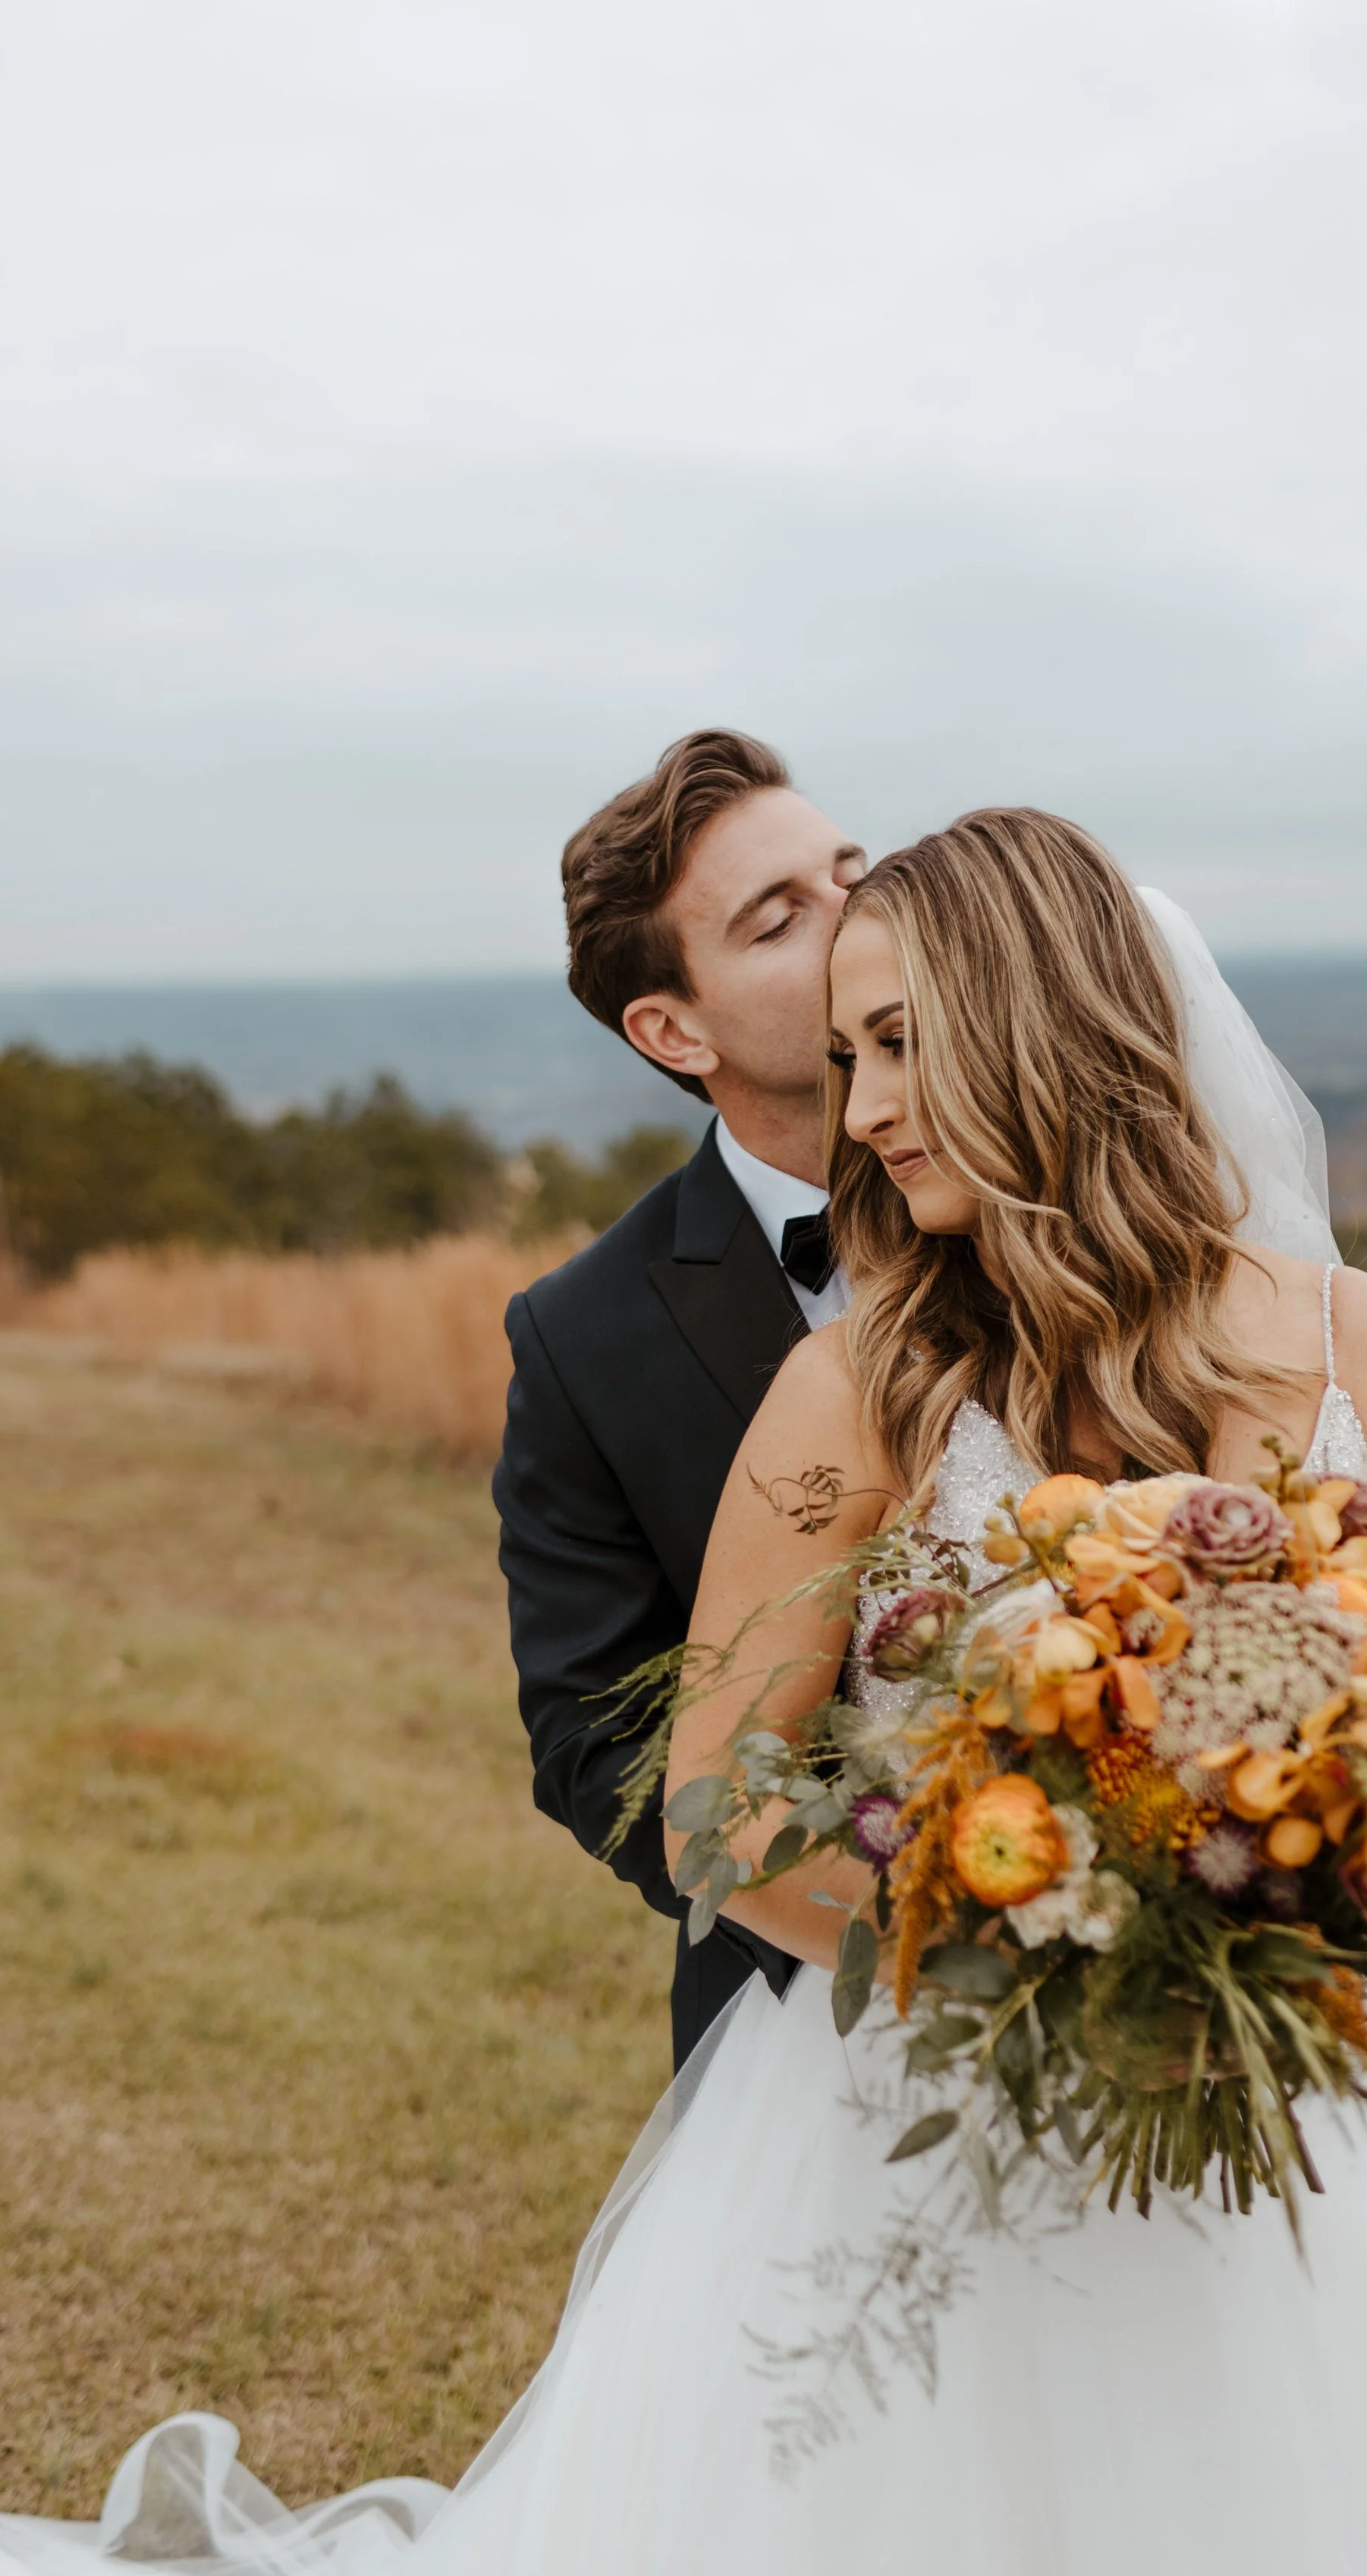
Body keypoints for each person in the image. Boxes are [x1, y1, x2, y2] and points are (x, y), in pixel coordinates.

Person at [0, 810, 1367, 2576]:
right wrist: (984, 1905)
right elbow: (708, 1804)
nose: (861, 1107)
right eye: (849, 1052)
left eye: (896, 1048)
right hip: (924, 2124)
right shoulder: (862, 1388)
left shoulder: (1354, 1342)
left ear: (1035, 1029)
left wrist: (1315, 1867)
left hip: (1294, 2145)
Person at [495, 727, 865, 2066]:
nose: (862, 916)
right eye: (782, 919)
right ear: (673, 1027)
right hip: (805, 2019)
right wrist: (874, 1905)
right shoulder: (582, 1337)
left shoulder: (1064, 1215)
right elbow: (593, 1738)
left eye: (850, 873)